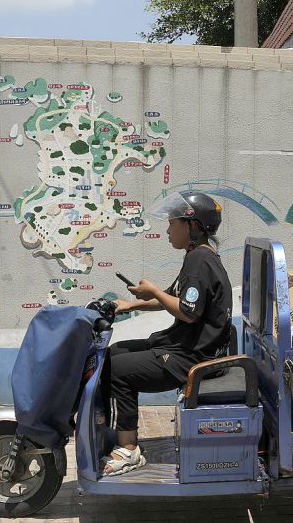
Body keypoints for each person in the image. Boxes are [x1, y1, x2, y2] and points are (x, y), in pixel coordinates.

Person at [101, 191, 235, 475]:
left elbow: (187, 310)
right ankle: (113, 429)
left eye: (173, 223)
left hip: (190, 358)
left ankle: (128, 450)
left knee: (114, 368)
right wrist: (132, 303)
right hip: (184, 346)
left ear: (193, 226)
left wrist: (154, 291)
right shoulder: (198, 256)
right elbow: (173, 296)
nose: (167, 229)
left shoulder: (199, 261)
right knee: (113, 351)